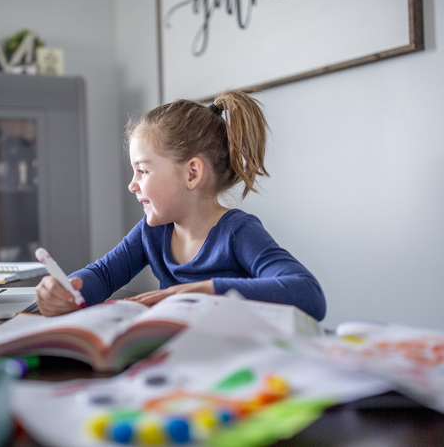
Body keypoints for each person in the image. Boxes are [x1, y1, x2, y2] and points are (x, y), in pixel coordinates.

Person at [35, 90, 327, 321]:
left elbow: (309, 294)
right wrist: (66, 289)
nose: (132, 184)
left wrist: (202, 291)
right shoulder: (153, 233)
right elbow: (103, 275)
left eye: (143, 171)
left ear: (192, 174)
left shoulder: (238, 232)